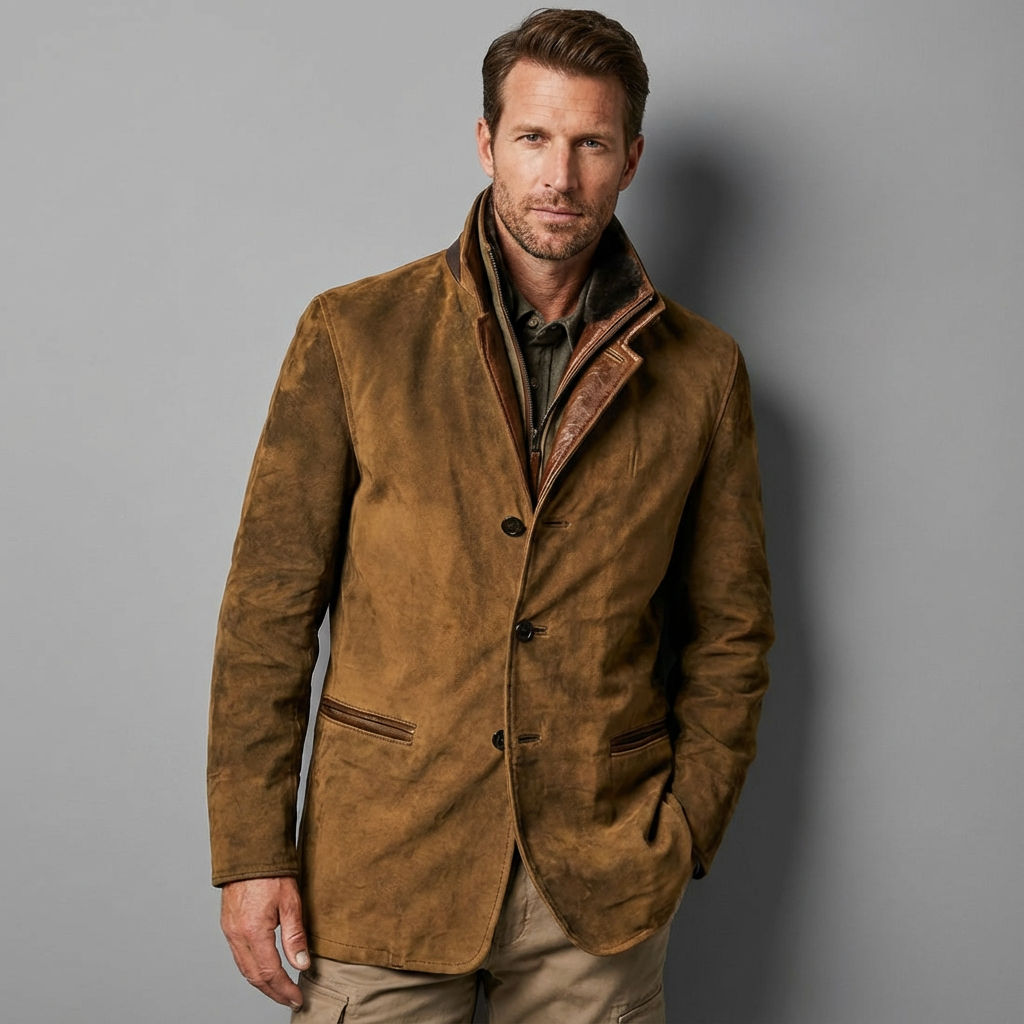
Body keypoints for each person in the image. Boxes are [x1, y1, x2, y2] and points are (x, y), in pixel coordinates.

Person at [207, 9, 773, 1023]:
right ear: (486, 143)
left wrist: (682, 825)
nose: (559, 175)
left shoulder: (703, 373)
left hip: (596, 890)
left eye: (590, 143)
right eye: (533, 137)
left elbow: (731, 630)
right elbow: (267, 612)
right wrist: (252, 852)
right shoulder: (354, 334)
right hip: (383, 863)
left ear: (631, 158)